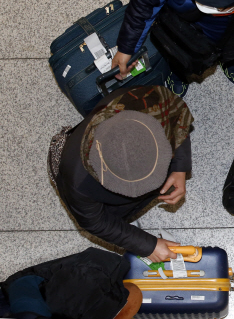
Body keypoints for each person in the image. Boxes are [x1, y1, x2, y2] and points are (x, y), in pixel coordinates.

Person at [50, 85, 194, 262]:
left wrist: (179, 167)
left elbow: (176, 118)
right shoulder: (77, 182)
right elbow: (95, 222)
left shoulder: (141, 99)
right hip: (77, 175)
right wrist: (148, 245)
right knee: (114, 219)